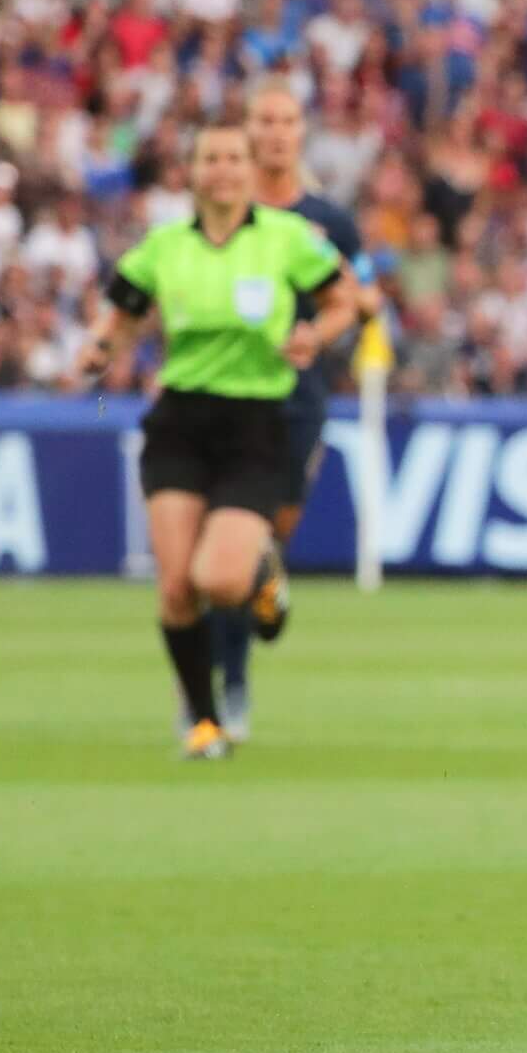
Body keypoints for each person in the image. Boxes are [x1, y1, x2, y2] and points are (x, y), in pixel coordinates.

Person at [75, 125, 362, 760]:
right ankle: (204, 722)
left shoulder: (287, 239)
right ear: (193, 171)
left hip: (256, 421)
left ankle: (262, 575)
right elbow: (119, 316)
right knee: (177, 587)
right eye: (212, 159)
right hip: (180, 422)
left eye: (235, 158)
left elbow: (346, 298)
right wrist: (100, 348)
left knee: (220, 580)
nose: (224, 170)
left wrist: (320, 335)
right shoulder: (165, 247)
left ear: (250, 169)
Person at [206, 81, 380, 739]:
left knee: (268, 539)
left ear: (301, 132)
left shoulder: (328, 221)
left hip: (299, 399)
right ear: (247, 130)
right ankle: (232, 683)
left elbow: (365, 301)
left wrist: (331, 313)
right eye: (263, 121)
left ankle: (256, 607)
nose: (275, 133)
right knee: (233, 538)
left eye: (286, 121)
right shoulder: (222, 215)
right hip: (226, 395)